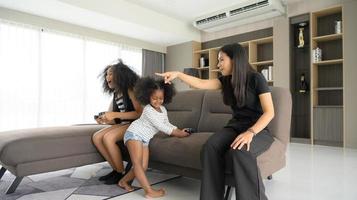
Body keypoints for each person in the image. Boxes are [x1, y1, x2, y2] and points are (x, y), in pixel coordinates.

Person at [156, 43, 275, 200]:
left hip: (258, 130)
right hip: (235, 126)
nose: (218, 65)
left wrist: (250, 133)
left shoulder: (256, 78)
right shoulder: (226, 81)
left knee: (240, 152)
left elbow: (269, 112)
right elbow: (201, 83)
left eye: (221, 60)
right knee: (210, 147)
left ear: (235, 60)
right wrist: (178, 74)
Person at [118, 77, 190, 198]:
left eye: (161, 98)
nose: (158, 101)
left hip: (145, 139)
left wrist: (179, 130)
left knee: (144, 167)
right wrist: (178, 134)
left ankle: (123, 181)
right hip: (134, 134)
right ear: (147, 97)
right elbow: (162, 127)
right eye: (154, 98)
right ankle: (149, 191)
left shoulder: (163, 109)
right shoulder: (148, 110)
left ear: (165, 97)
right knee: (138, 165)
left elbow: (167, 124)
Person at [92, 59, 143, 185]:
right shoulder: (116, 94)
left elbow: (139, 113)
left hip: (138, 123)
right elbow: (114, 120)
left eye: (110, 74)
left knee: (108, 138)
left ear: (120, 76)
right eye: (106, 74)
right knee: (97, 137)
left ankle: (120, 172)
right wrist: (104, 119)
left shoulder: (130, 89)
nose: (107, 77)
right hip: (125, 124)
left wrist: (114, 114)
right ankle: (115, 170)